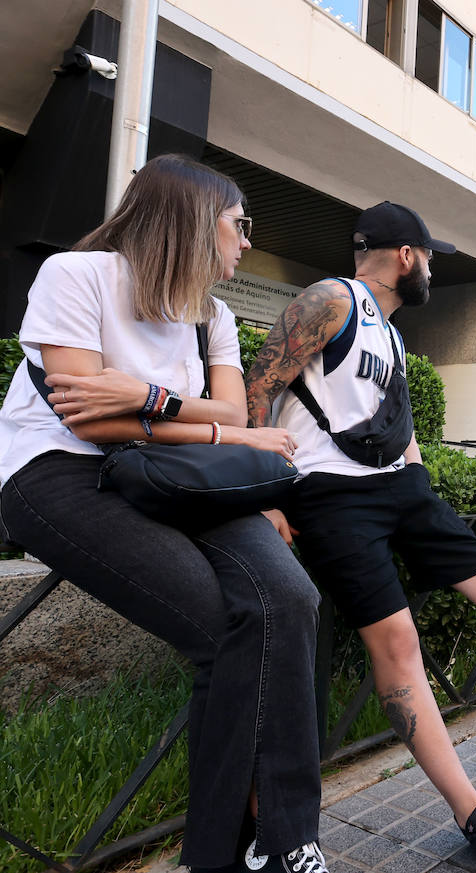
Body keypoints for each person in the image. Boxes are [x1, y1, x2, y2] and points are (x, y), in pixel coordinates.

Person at [0, 155, 328, 873]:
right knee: (225, 625)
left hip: (179, 476)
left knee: (291, 598)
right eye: (240, 224)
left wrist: (146, 399)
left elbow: (234, 411)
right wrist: (208, 422)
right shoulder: (76, 275)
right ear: (191, 216)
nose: (246, 242)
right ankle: (216, 854)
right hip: (61, 475)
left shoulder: (212, 314)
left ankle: (284, 838)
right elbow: (86, 417)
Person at [245, 201, 476, 870]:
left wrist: (420, 488)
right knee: (398, 641)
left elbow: (397, 430)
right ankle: (474, 812)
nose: (430, 270)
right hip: (330, 494)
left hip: (399, 488)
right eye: (430, 257)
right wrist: (266, 492)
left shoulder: (395, 336)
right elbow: (260, 384)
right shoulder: (331, 299)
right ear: (408, 255)